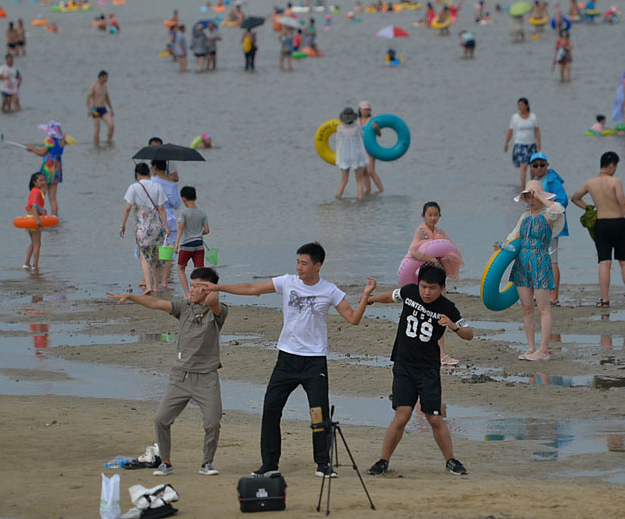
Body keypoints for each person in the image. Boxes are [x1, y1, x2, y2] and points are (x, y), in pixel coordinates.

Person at [198, 242, 373, 478]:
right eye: (298, 262)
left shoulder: (330, 290)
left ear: (317, 266)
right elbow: (252, 288)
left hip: (314, 361)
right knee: (271, 409)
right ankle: (269, 464)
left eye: (304, 263)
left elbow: (353, 318)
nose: (299, 267)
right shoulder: (287, 281)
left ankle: (322, 464)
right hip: (286, 359)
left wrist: (365, 296)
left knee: (318, 413)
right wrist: (219, 287)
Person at [107, 267, 228, 477]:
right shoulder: (183, 307)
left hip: (206, 378)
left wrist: (212, 288)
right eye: (191, 286)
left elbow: (213, 301)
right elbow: (155, 303)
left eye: (197, 286)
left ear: (209, 288)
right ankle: (165, 462)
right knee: (161, 419)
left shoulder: (218, 311)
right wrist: (131, 297)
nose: (191, 290)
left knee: (212, 422)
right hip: (180, 376)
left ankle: (207, 463)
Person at [362, 264, 472, 477]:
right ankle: (383, 461)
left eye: (432, 288)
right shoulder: (409, 292)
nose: (426, 292)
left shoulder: (447, 307)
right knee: (402, 416)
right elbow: (392, 296)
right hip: (403, 365)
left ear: (441, 287)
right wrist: (372, 299)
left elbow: (469, 334)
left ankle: (451, 460)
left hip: (428, 369)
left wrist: (453, 326)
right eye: (423, 286)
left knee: (433, 417)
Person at [500, 180, 563, 360]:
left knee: (543, 308)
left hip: (540, 260)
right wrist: (502, 247)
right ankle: (530, 347)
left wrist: (542, 197)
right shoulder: (524, 216)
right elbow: (514, 236)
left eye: (533, 195)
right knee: (527, 308)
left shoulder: (548, 214)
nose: (531, 199)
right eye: (528, 195)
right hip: (523, 262)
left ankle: (544, 349)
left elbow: (558, 210)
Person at [570, 151, 625, 308]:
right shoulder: (615, 181)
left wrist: (589, 208)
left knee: (604, 262)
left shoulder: (590, 182)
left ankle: (605, 299)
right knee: (624, 262)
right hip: (618, 223)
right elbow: (623, 203)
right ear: (611, 166)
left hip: (601, 224)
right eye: (615, 166)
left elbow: (575, 198)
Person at [402, 201, 463, 365]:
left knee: (440, 314)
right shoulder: (421, 231)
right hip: (423, 277)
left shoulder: (440, 232)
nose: (433, 217)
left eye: (436, 214)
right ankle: (433, 353)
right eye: (430, 214)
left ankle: (442, 353)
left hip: (438, 278)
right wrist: (431, 260)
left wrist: (444, 259)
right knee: (424, 317)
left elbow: (451, 249)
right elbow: (413, 251)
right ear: (424, 216)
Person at [120, 163, 170, 295]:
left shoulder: (133, 187)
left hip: (142, 228)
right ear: (148, 173)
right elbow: (162, 208)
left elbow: (127, 208)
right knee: (157, 257)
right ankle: (157, 287)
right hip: (157, 227)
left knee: (144, 257)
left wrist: (123, 225)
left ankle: (148, 286)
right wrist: (167, 227)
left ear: (137, 174)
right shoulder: (157, 186)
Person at [529, 152, 568, 306]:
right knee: (536, 259)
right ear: (531, 167)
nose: (539, 168)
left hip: (550, 225)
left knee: (552, 261)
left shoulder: (553, 181)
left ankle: (553, 296)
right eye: (535, 165)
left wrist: (545, 204)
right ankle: (539, 294)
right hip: (535, 225)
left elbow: (563, 201)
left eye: (542, 165)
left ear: (547, 165)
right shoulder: (533, 182)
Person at [152, 160, 181, 294]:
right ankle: (164, 281)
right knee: (168, 252)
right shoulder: (172, 183)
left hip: (154, 219)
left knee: (153, 250)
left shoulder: (151, 181)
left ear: (155, 167)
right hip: (169, 219)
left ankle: (153, 280)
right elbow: (176, 204)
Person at [174, 186, 210, 295]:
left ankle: (188, 294)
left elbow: (180, 227)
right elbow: (207, 230)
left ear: (183, 199)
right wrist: (198, 232)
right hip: (199, 245)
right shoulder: (202, 213)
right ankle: (199, 293)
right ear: (196, 198)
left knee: (180, 269)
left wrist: (176, 244)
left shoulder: (183, 213)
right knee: (198, 271)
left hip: (186, 245)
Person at [26, 121, 65, 217]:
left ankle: (38, 215)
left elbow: (41, 153)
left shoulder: (50, 140)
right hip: (56, 169)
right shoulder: (62, 141)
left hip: (47, 170)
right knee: (53, 198)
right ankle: (55, 217)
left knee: (41, 194)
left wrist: (32, 149)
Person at [504, 97, 541, 187]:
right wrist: (506, 143)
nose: (520, 107)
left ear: (526, 105)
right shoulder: (515, 117)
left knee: (533, 166)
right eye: (519, 105)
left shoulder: (533, 117)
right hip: (520, 144)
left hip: (531, 145)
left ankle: (532, 184)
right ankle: (523, 185)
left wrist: (539, 142)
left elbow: (537, 130)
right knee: (523, 165)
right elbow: (510, 131)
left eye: (521, 105)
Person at [334, 106, 368, 200]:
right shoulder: (357, 127)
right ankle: (361, 199)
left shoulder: (339, 128)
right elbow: (363, 135)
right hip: (356, 156)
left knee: (344, 180)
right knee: (359, 180)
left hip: (344, 156)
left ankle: (338, 197)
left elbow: (337, 141)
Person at [356, 101, 385, 195]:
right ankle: (368, 191)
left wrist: (376, 128)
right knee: (363, 172)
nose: (366, 111)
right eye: (364, 109)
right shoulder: (356, 121)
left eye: (368, 109)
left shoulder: (372, 120)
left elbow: (379, 134)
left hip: (370, 148)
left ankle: (381, 190)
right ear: (360, 110)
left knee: (370, 171)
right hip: (360, 149)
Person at [23, 171, 47, 270]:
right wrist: (37, 219)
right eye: (40, 180)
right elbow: (34, 206)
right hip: (33, 220)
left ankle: (26, 263)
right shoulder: (36, 192)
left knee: (33, 242)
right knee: (37, 243)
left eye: (43, 180)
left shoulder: (34, 191)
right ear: (34, 182)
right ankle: (35, 266)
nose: (43, 182)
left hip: (29, 220)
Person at [86, 71, 115, 144]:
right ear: (101, 77)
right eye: (106, 77)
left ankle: (109, 141)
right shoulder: (94, 86)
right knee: (97, 129)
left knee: (111, 125)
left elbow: (107, 98)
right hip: (95, 109)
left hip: (103, 108)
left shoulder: (105, 86)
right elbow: (88, 97)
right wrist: (89, 109)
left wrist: (111, 109)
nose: (107, 79)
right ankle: (96, 145)